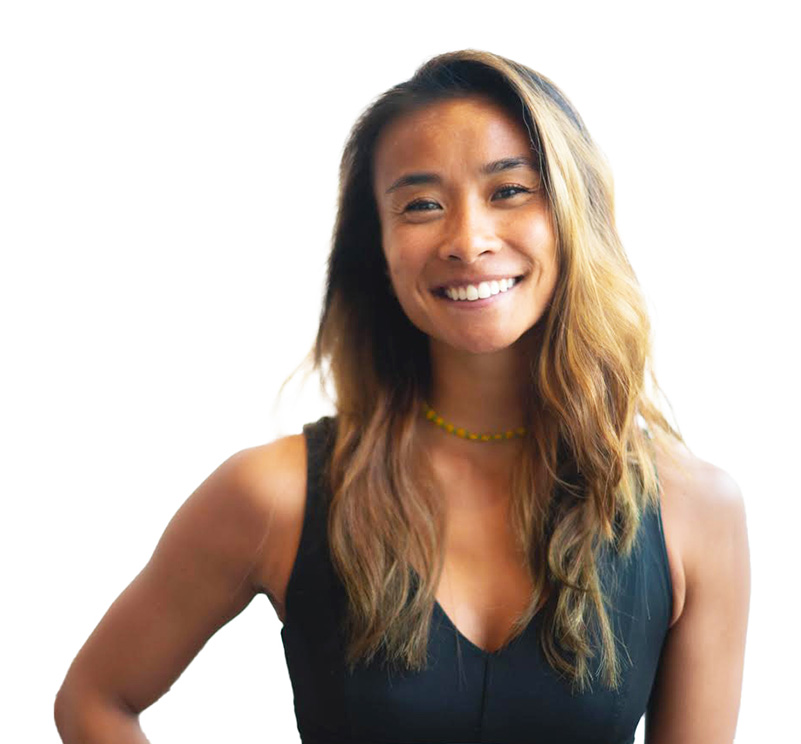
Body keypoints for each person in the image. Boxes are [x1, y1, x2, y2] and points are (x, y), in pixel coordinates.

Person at [54, 50, 750, 743]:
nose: (468, 240)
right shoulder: (275, 497)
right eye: (421, 205)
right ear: (379, 248)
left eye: (509, 190)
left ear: (575, 215)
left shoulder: (695, 512)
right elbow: (96, 699)